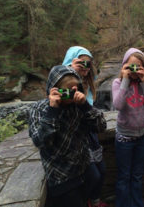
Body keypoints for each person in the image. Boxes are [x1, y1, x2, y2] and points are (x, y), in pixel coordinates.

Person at [29, 65, 105, 207]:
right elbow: (41, 142)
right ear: (54, 89)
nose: (70, 94)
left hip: (83, 167)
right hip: (61, 175)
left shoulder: (79, 105)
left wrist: (85, 106)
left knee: (89, 189)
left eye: (74, 89)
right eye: (66, 91)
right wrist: (53, 111)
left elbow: (101, 126)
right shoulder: (39, 109)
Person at [62, 46, 108, 207]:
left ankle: (94, 201)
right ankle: (87, 201)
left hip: (89, 135)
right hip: (75, 139)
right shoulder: (65, 83)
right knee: (92, 176)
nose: (85, 67)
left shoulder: (88, 86)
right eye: (81, 62)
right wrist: (69, 70)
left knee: (101, 172)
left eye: (88, 64)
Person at [112, 48, 144, 207]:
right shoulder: (118, 83)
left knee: (137, 175)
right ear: (124, 67)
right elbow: (117, 105)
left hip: (143, 136)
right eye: (130, 67)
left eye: (138, 67)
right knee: (124, 176)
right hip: (124, 138)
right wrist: (125, 80)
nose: (134, 70)